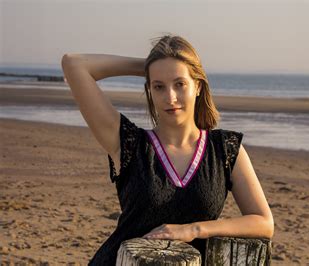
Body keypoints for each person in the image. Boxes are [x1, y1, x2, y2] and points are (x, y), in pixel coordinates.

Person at [61, 35, 274, 265]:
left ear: (198, 86)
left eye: (179, 84)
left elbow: (263, 223)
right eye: (159, 86)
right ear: (149, 90)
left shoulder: (225, 149)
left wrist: (194, 230)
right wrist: (150, 65)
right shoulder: (128, 144)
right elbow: (74, 64)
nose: (170, 97)